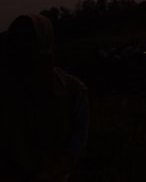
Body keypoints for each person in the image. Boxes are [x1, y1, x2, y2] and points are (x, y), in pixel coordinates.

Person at [0, 14, 89, 182]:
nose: (22, 45)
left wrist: (49, 174)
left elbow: (74, 148)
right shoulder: (5, 90)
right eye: (16, 38)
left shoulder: (73, 90)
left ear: (45, 40)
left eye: (29, 37)